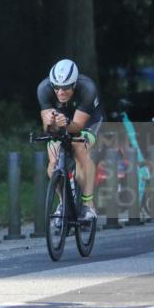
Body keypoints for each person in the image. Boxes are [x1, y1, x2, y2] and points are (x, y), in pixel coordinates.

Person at [36, 58, 103, 221]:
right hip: (63, 120)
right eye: (57, 87)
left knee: (79, 148)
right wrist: (51, 124)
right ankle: (62, 202)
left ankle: (88, 204)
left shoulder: (87, 88)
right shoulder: (44, 89)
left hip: (88, 121)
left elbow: (78, 126)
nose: (60, 92)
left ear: (74, 84)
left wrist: (66, 123)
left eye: (65, 87)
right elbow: (47, 127)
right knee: (53, 160)